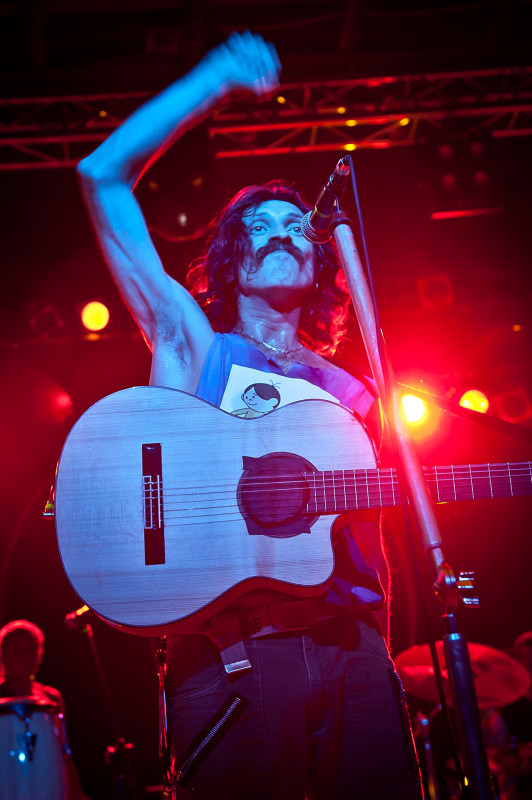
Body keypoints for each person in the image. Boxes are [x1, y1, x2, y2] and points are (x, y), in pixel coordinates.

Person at [77, 30, 423, 799]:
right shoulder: (193, 347)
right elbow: (101, 178)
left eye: (297, 226)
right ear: (231, 259)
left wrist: (376, 656)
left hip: (354, 658)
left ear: (319, 260)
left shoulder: (354, 393)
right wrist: (213, 82)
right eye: (260, 225)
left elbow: (374, 558)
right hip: (233, 662)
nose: (283, 232)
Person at [0, 620, 84, 800]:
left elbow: (64, 752)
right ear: (2, 654)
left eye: (30, 650)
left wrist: (76, 793)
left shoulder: (51, 698)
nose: (24, 657)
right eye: (16, 650)